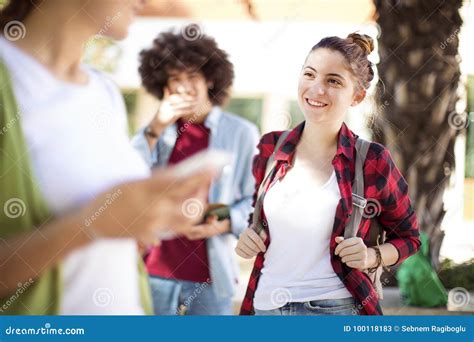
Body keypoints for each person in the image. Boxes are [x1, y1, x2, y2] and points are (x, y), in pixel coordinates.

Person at [0, 0, 214, 315]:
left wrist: (149, 218)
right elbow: (100, 222)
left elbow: (114, 232)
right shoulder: (11, 80)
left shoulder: (104, 92)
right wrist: (91, 227)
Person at [236, 33, 421, 316]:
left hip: (334, 309)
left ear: (357, 96)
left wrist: (371, 256)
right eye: (309, 74)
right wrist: (249, 234)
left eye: (333, 81)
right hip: (265, 306)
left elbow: (409, 237)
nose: (316, 89)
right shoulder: (271, 148)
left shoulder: (371, 159)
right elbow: (259, 219)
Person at [131, 27, 260, 315]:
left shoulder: (241, 133)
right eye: (175, 79)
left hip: (211, 277)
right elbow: (128, 180)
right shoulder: (156, 131)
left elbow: (255, 201)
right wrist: (156, 126)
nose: (184, 87)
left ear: (210, 79)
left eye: (192, 77)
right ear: (164, 86)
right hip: (155, 271)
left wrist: (224, 223)